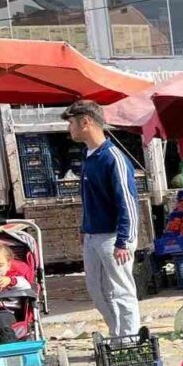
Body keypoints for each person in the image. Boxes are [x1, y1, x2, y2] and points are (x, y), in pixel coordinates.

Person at [62, 100, 143, 340]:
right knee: (97, 291)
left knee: (120, 290)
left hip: (113, 237)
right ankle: (116, 334)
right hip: (92, 234)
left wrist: (124, 240)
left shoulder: (113, 158)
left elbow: (127, 201)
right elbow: (90, 198)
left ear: (85, 122)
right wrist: (83, 227)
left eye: (72, 123)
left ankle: (129, 340)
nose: (70, 129)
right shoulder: (88, 156)